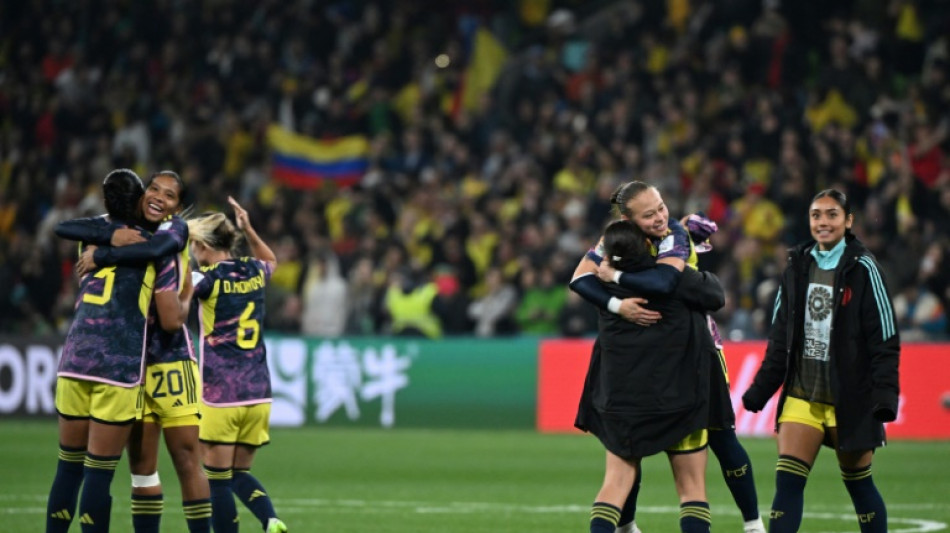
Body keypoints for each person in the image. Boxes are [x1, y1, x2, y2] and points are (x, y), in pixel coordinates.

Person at [570, 181, 765, 533]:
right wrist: (619, 305)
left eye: (661, 206)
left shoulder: (663, 236)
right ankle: (751, 525)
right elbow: (698, 289)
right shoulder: (621, 242)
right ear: (628, 220)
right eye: (649, 214)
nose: (662, 217)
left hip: (673, 361)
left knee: (717, 439)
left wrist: (613, 280)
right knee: (693, 477)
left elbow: (658, 282)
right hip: (682, 365)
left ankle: (752, 523)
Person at [742, 189, 900, 533]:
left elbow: (885, 338)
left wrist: (885, 397)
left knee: (860, 486)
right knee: (787, 483)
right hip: (803, 393)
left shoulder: (864, 268)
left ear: (848, 221)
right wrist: (760, 390)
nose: (823, 222)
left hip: (851, 397)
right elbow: (780, 337)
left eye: (831, 214)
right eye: (816, 215)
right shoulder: (797, 265)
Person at [62, 170, 211, 533]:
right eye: (154, 189)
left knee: (187, 458)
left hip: (170, 357)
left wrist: (106, 255)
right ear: (141, 193)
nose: (160, 197)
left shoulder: (174, 231)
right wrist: (110, 238)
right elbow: (70, 227)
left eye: (170, 195)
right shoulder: (123, 225)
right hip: (129, 363)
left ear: (178, 206)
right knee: (142, 469)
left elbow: (172, 318)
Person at [577, 219, 725, 533]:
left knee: (614, 486)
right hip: (676, 399)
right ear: (648, 245)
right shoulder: (672, 280)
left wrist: (613, 284)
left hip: (622, 401)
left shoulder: (600, 285)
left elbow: (578, 279)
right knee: (691, 488)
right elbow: (715, 295)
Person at [188, 197, 287, 533]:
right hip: (259, 393)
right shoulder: (255, 271)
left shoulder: (206, 280)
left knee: (217, 481)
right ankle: (270, 519)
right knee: (238, 474)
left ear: (203, 245)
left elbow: (176, 297)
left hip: (221, 394)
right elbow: (271, 259)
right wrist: (249, 230)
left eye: (193, 245)